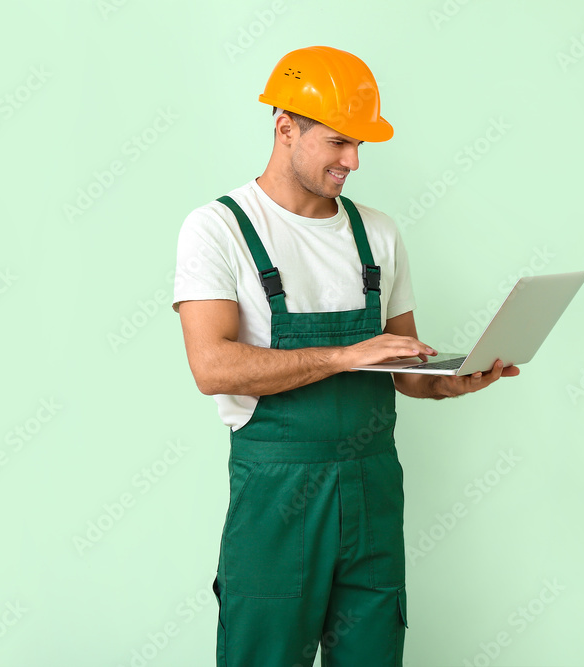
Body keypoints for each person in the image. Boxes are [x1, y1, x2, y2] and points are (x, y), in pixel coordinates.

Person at [171, 45, 519, 666]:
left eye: (360, 145)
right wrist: (344, 355)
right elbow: (213, 367)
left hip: (373, 489)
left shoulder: (376, 233)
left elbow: (403, 372)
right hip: (277, 496)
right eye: (337, 143)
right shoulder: (217, 228)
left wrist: (452, 381)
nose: (352, 162)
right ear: (285, 129)